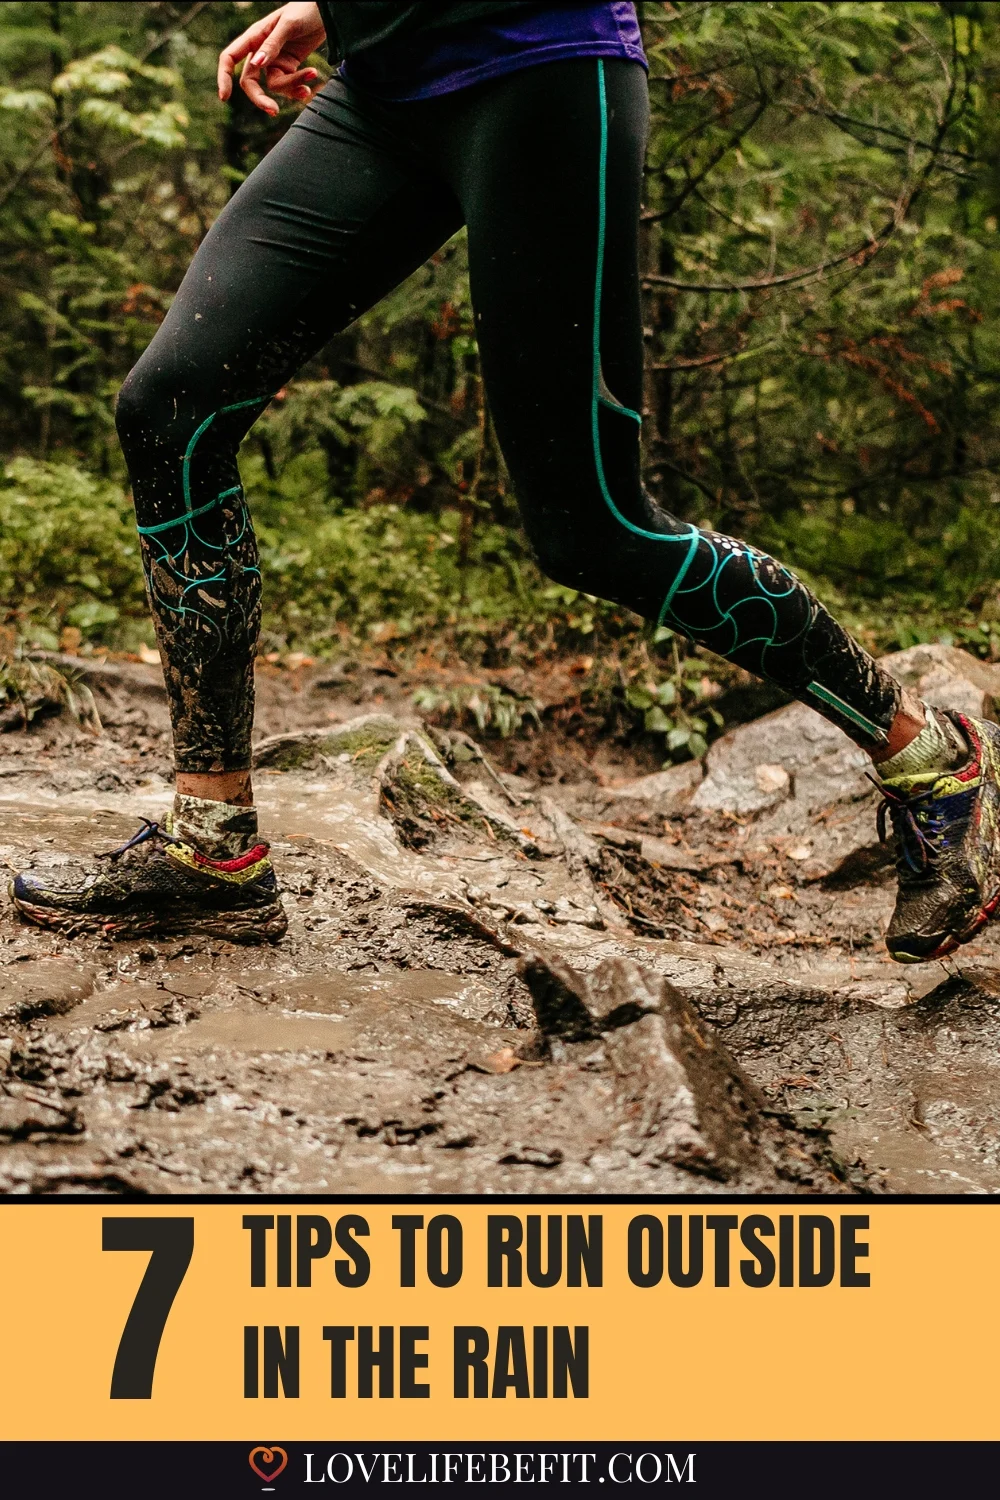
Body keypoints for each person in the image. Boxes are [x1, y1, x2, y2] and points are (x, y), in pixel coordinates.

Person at [10, 1, 1000, 962]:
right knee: (170, 408)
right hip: (381, 89)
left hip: (538, 65)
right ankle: (213, 844)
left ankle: (926, 756)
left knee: (595, 528)